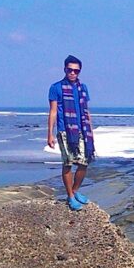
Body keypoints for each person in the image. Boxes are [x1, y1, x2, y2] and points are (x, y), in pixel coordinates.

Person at [47, 55, 96, 210]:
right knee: (68, 164)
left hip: (82, 130)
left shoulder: (83, 88)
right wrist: (49, 134)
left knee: (83, 163)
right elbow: (53, 112)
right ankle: (70, 196)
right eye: (70, 70)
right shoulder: (56, 88)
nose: (73, 73)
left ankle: (75, 191)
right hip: (65, 130)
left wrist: (91, 132)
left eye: (76, 71)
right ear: (65, 69)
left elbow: (86, 111)